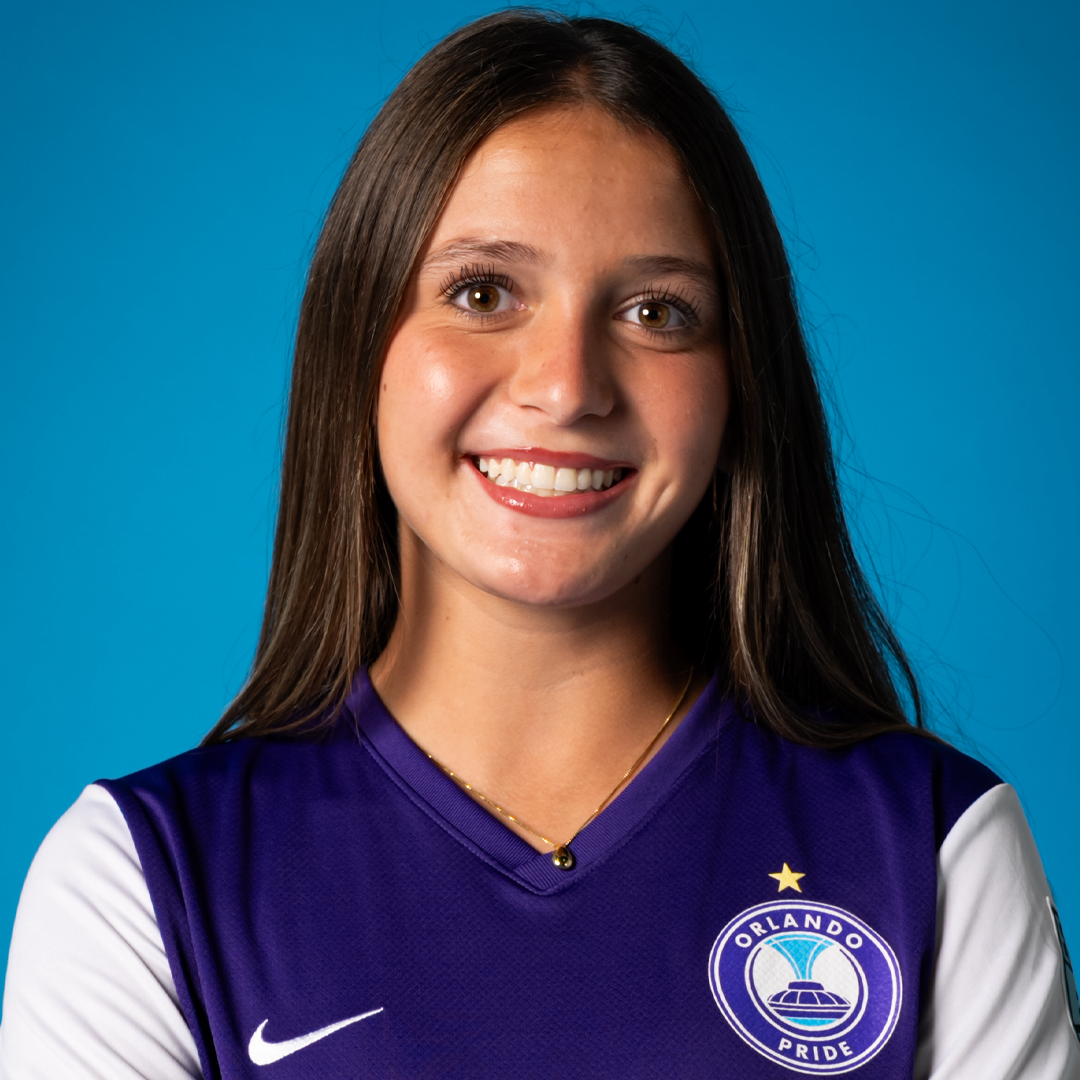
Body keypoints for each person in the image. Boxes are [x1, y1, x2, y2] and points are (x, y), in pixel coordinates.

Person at [1, 11, 1077, 1079]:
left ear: (741, 384)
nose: (566, 387)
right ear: (359, 343)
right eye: (482, 293)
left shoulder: (936, 847)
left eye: (658, 312)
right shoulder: (141, 880)